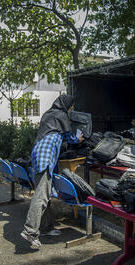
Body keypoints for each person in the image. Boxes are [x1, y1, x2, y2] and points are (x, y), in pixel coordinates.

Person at [21, 95, 84, 249]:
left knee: (45, 195)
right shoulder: (61, 115)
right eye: (71, 107)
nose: (71, 110)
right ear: (66, 106)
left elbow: (55, 136)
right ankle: (30, 231)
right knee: (41, 196)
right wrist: (79, 138)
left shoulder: (49, 114)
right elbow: (69, 137)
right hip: (45, 156)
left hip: (37, 154)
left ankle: (46, 228)